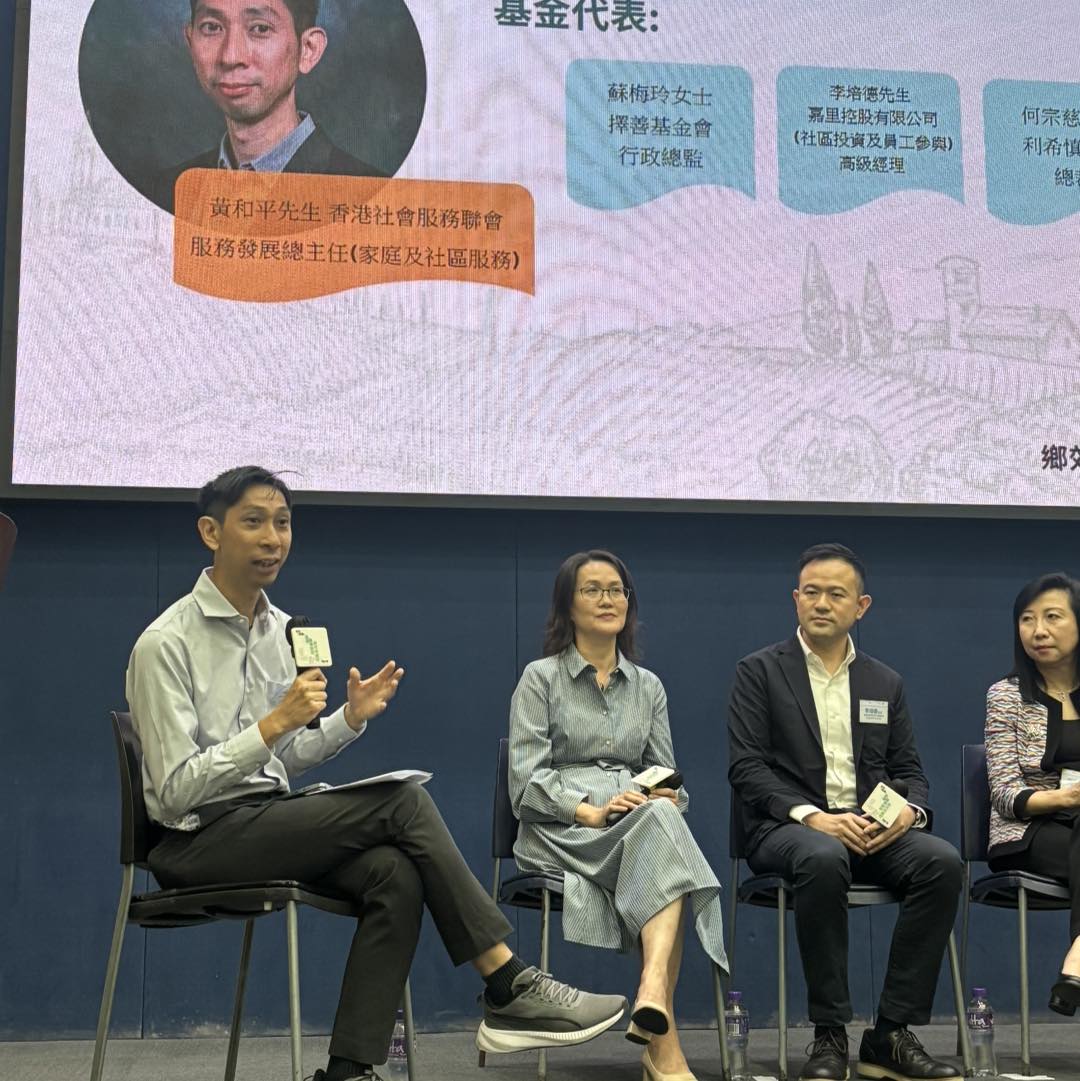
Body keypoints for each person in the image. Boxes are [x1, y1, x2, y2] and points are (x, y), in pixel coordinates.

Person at [125, 467, 626, 1081]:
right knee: (403, 802)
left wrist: (347, 719)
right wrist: (272, 726)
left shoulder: (281, 630)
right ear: (211, 532)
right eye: (253, 522)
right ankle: (507, 981)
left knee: (394, 873)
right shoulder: (165, 643)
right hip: (194, 840)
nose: (272, 538)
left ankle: (349, 1071)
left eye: (282, 523)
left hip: (261, 819)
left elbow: (282, 759)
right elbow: (175, 790)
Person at [728, 543, 962, 1081]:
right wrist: (813, 817)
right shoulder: (759, 672)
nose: (822, 603)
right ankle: (829, 1034)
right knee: (823, 856)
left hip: (867, 830)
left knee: (941, 862)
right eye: (811, 592)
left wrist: (908, 814)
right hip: (788, 830)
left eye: (836, 594)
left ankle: (890, 1034)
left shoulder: (885, 682)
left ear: (861, 606)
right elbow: (747, 768)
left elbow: (910, 772)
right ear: (795, 599)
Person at [509, 549, 727, 1081]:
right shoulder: (540, 679)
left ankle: (653, 994)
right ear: (568, 605)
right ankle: (659, 1018)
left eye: (617, 590)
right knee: (668, 854)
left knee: (664, 822)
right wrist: (592, 811)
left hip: (636, 827)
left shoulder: (649, 686)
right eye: (593, 589)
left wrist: (663, 798)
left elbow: (667, 775)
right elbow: (526, 783)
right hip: (564, 831)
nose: (608, 599)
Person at [154, 0, 387, 212]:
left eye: (260, 29)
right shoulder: (165, 191)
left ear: (308, 49)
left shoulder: (374, 198)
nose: (231, 56)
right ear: (190, 40)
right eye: (212, 27)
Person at [984, 571, 1080, 1017]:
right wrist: (1067, 799)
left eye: (1052, 617)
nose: (1038, 630)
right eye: (1027, 619)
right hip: (1030, 831)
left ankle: (1077, 964)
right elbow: (1005, 793)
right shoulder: (1006, 697)